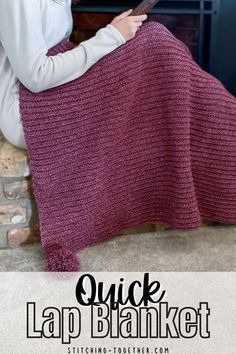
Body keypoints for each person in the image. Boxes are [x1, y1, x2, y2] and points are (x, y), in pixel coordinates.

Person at [0, 0, 146, 150]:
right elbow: (36, 76)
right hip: (26, 111)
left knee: (147, 44)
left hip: (56, 89)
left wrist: (114, 33)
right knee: (151, 42)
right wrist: (111, 37)